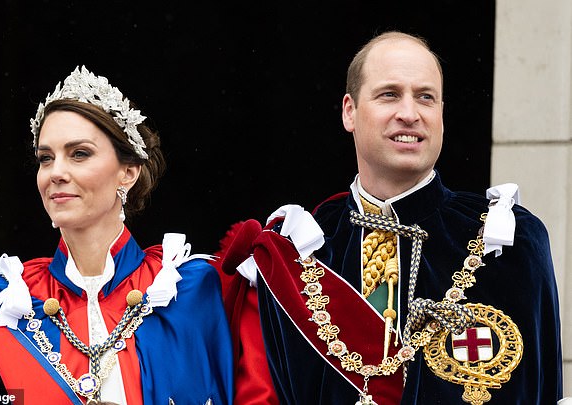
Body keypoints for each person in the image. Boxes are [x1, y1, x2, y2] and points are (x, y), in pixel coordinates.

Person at [216, 31, 564, 404]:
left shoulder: (510, 240)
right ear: (349, 111)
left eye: (425, 97)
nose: (410, 114)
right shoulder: (294, 252)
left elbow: (541, 386)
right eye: (389, 94)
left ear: (441, 115)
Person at [0, 66, 233, 405]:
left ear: (128, 172)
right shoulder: (6, 309)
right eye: (45, 158)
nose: (57, 173)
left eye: (79, 153)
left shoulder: (190, 290)